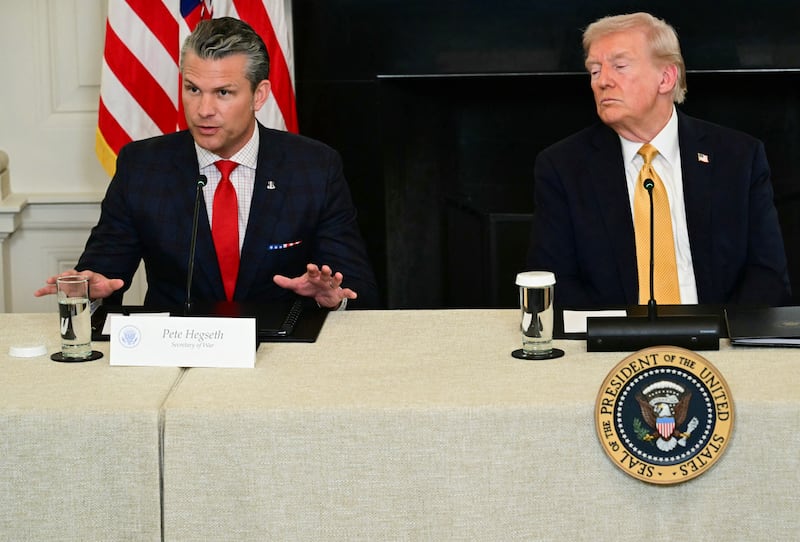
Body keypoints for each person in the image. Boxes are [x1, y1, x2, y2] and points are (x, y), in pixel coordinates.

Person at [36, 17, 379, 310]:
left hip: (280, 354)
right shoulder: (142, 167)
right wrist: (90, 291)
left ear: (259, 95)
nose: (203, 110)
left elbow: (357, 287)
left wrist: (333, 298)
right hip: (175, 354)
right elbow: (102, 272)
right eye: (193, 89)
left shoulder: (314, 167)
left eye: (223, 93)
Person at [526, 12, 791, 308]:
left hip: (719, 342)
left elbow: (768, 274)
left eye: (619, 66)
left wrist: (723, 337)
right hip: (612, 347)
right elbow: (553, 280)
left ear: (666, 77)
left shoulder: (738, 157)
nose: (602, 82)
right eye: (595, 71)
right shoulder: (563, 167)